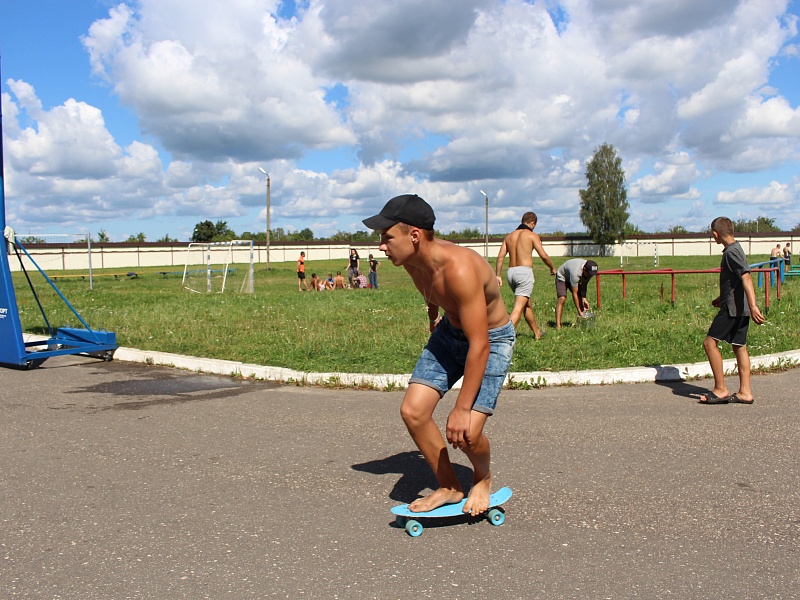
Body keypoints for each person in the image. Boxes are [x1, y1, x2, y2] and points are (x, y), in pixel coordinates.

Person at [363, 194, 515, 516]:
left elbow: (480, 344)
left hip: (490, 338)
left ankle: (482, 477)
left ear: (414, 236)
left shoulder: (460, 268)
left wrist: (461, 408)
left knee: (469, 435)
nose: (381, 246)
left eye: (387, 237)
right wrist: (434, 317)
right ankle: (449, 486)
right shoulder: (412, 261)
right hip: (450, 332)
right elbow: (431, 290)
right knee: (413, 411)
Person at [697, 216, 766, 404]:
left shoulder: (731, 253)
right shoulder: (736, 248)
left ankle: (720, 389)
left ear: (715, 234)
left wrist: (753, 306)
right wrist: (721, 298)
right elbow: (736, 281)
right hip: (740, 308)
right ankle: (745, 392)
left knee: (709, 344)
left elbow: (746, 277)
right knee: (739, 347)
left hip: (733, 310)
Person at [495, 211, 556, 339]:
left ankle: (537, 333)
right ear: (533, 223)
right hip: (524, 273)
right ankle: (503, 338)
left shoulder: (509, 236)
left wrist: (498, 275)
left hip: (511, 273)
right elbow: (543, 255)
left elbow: (500, 257)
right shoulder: (532, 235)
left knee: (526, 304)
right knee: (518, 308)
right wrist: (552, 268)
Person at [555, 258, 598, 329]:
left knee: (580, 298)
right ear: (584, 269)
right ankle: (558, 326)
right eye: (589, 274)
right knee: (562, 298)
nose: (590, 276)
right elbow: (574, 294)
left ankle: (582, 324)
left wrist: (584, 298)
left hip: (571, 276)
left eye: (592, 274)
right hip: (562, 277)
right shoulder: (576, 273)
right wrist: (578, 310)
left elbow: (584, 285)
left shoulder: (589, 272)